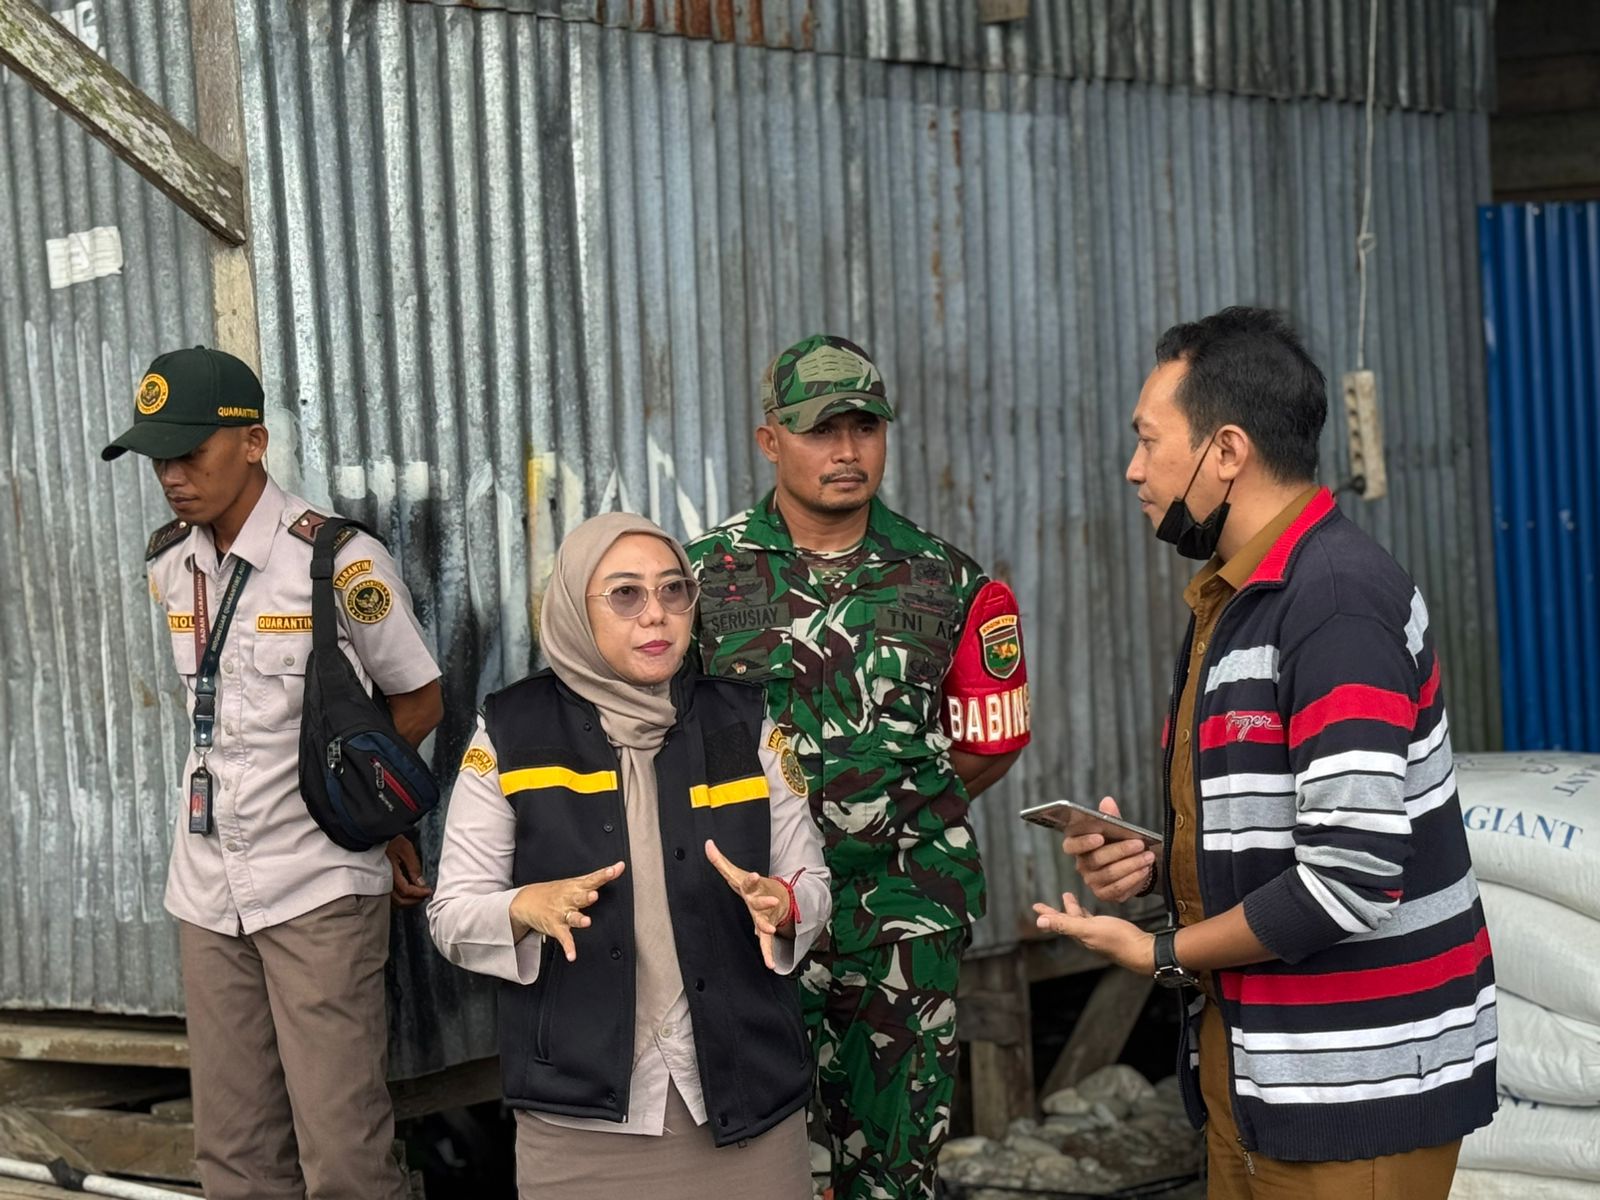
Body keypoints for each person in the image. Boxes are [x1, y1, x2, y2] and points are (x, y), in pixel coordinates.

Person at [1033, 308, 1496, 1199]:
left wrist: (1161, 952)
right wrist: (1161, 868)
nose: (1133, 468)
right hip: (1260, 1079)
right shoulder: (1239, 597)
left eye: (1148, 439)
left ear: (1227, 451)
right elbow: (1287, 830)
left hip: (1355, 1094)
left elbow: (1351, 877)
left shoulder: (1335, 602)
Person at [686, 335, 1032, 1200]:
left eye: (865, 427)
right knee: (756, 1160)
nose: (847, 451)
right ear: (770, 441)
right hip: (755, 915)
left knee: (896, 1167)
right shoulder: (702, 578)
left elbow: (990, 738)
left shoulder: (947, 580)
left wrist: (888, 809)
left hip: (903, 916)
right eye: (821, 430)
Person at [103, 346, 444, 1199]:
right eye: (158, 459)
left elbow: (420, 699)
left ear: (253, 442)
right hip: (206, 886)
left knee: (344, 1154)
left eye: (190, 454)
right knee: (233, 1154)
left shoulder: (337, 563)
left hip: (316, 885)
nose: (172, 477)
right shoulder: (169, 564)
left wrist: (370, 820)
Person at [427, 512, 830, 1199]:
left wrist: (786, 905)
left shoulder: (743, 722)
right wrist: (525, 907)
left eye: (674, 590)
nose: (656, 614)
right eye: (625, 594)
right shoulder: (512, 731)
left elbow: (811, 882)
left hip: (746, 1097)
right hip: (580, 1116)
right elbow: (452, 916)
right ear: (574, 607)